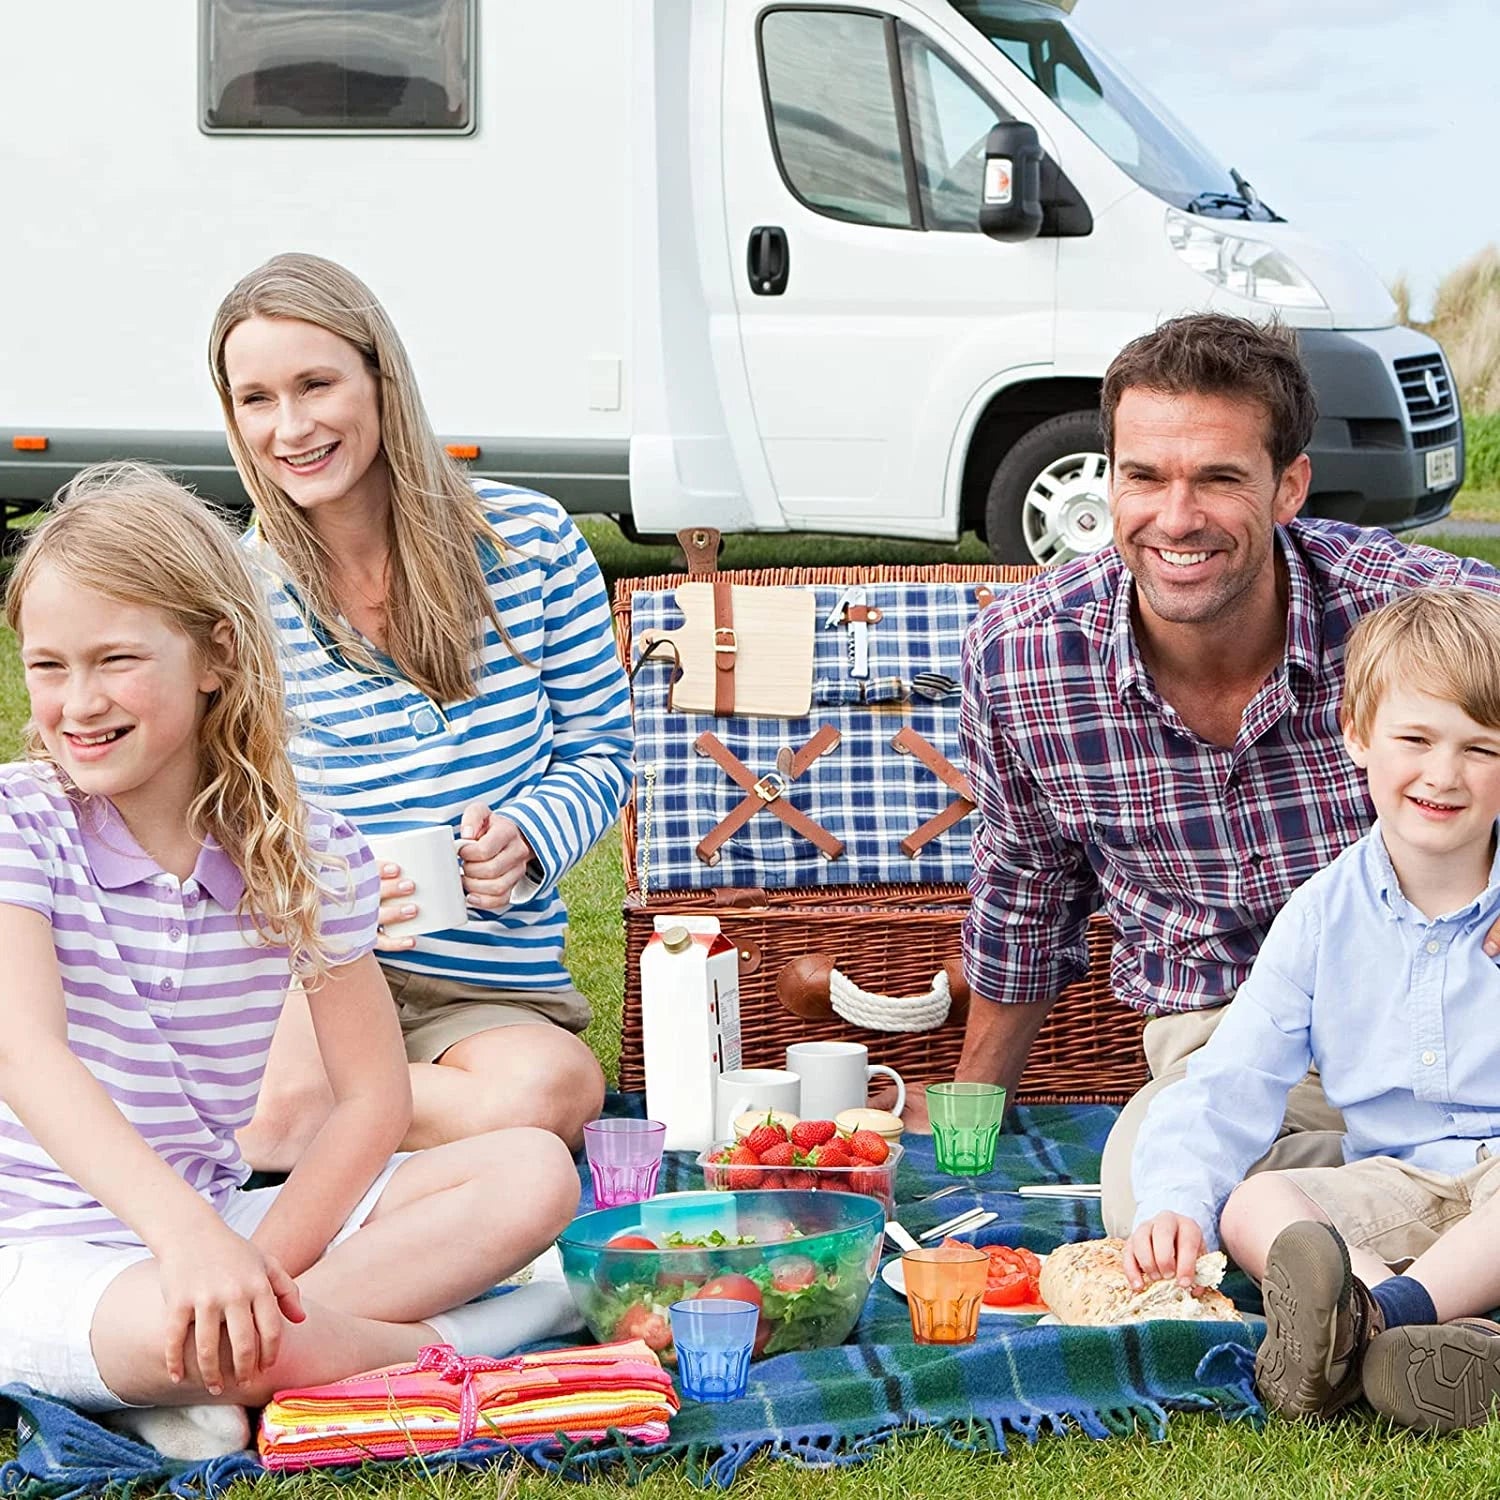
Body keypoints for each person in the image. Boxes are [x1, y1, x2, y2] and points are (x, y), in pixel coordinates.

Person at [0, 466, 581, 1457]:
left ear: (215, 655)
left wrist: (248, 1262)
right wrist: (189, 1246)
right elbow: (25, 1051)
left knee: (533, 1170)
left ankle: (236, 1356)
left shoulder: (304, 848)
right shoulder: (20, 823)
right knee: (175, 1326)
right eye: (48, 666)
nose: (77, 702)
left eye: (115, 660)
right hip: (36, 1250)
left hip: (214, 1214)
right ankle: (482, 1339)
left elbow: (369, 1102)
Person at [936, 312, 1500, 1235]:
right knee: (1149, 1198)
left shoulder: (1417, 611)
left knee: (1250, 1212)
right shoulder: (1026, 657)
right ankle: (1424, 1232)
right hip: (1213, 1039)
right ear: (1107, 476)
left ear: (1289, 488)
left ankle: (1404, 1224)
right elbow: (1026, 895)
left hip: (1444, 1016)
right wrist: (972, 1111)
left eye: (1219, 479)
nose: (1176, 517)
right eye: (1143, 477)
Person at [207, 253, 632, 1163]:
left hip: (483, 988)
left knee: (555, 1089)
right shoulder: (238, 593)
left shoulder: (531, 542)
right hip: (319, 968)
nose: (291, 427)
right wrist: (308, 883)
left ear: (380, 378)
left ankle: (318, 1135)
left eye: (316, 384)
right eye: (257, 399)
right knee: (279, 1110)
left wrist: (527, 837)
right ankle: (328, 1130)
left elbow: (601, 748)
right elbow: (219, 798)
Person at [1126, 588, 1500, 1432]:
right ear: (1359, 736)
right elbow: (1231, 1079)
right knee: (1253, 1206)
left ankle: (1379, 1324)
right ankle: (1401, 1336)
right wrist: (1175, 1200)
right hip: (1397, 1177)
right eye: (1416, 740)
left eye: (1481, 749)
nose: (1443, 775)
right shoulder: (1323, 916)